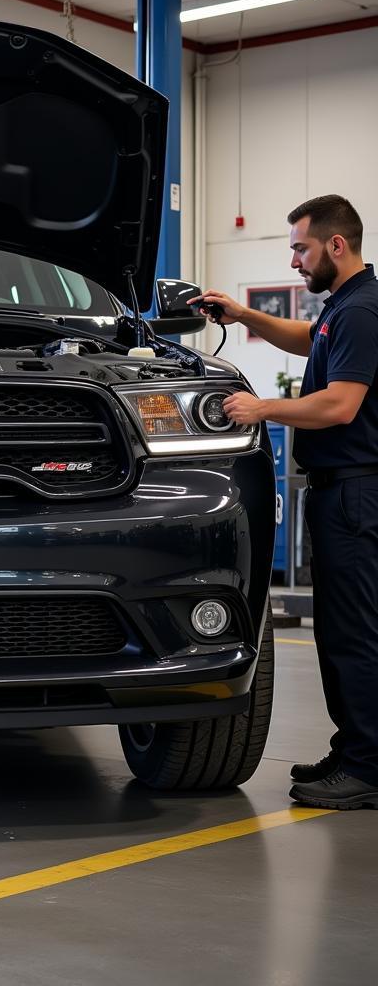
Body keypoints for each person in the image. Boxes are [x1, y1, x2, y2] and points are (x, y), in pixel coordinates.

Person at [195, 194, 378, 810]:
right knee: (338, 630)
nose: (294, 259)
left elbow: (340, 405)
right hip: (342, 492)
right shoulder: (342, 309)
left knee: (354, 633)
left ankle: (367, 768)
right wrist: (243, 313)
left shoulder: (361, 312)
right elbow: (305, 338)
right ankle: (355, 748)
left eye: (300, 247)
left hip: (356, 493)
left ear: (336, 245)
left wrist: (262, 408)